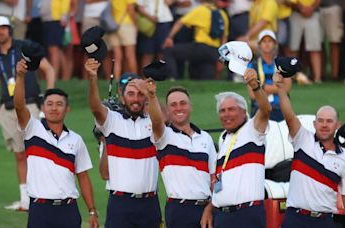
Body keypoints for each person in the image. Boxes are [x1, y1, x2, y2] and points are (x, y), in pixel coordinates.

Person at [13, 59, 99, 228]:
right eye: (49, 104)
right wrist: (21, 76)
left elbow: (83, 176)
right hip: (40, 209)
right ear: (43, 108)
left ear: (67, 109)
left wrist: (92, 210)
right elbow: (19, 105)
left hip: (68, 210)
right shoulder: (32, 128)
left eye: (59, 104)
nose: (54, 108)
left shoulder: (76, 140)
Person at [0, 15, 55, 211]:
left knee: (38, 152)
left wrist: (48, 98)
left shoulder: (25, 48)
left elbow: (48, 70)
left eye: (3, 28)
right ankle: (25, 200)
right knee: (19, 155)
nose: (0, 32)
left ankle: (43, 195)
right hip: (8, 110)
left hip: (31, 105)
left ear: (9, 29)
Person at [273, 73, 345, 227]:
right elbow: (289, 116)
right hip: (295, 218)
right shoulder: (302, 139)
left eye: (329, 121)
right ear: (314, 124)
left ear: (337, 125)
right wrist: (281, 90)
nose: (324, 125)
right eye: (320, 121)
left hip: (324, 221)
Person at [85, 58, 161, 228]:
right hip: (121, 204)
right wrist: (92, 79)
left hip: (150, 203)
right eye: (131, 94)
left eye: (140, 94)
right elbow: (95, 107)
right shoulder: (112, 120)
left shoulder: (152, 121)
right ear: (122, 97)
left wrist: (150, 93)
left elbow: (165, 118)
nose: (136, 99)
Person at [135, 80, 216, 228]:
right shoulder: (165, 135)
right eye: (173, 105)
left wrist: (211, 207)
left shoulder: (205, 138)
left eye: (183, 103)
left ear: (190, 106)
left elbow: (213, 180)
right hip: (179, 210)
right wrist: (151, 96)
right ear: (167, 110)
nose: (179, 107)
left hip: (207, 209)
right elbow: (157, 120)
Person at [201, 69, 272, 227]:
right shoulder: (224, 137)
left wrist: (254, 86)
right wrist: (210, 208)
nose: (226, 114)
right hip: (223, 216)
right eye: (222, 111)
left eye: (231, 109)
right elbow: (225, 183)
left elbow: (266, 109)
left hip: (246, 215)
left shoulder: (253, 129)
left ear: (244, 111)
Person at [162, 0, 229, 80]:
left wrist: (169, 37)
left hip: (200, 48)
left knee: (169, 51)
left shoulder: (201, 10)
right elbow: (224, 39)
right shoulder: (223, 14)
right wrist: (221, 59)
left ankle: (172, 77)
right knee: (206, 79)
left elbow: (180, 22)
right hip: (213, 52)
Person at [248, 29, 292, 121]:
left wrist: (262, 88)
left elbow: (287, 88)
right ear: (259, 45)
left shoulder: (283, 64)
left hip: (281, 108)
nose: (267, 44)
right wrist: (278, 88)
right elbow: (252, 94)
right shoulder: (252, 65)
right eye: (264, 41)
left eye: (270, 41)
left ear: (275, 44)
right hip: (259, 109)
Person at [289, 0, 323, 83]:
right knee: (293, 48)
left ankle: (317, 78)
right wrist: (301, 8)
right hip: (295, 13)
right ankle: (292, 77)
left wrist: (311, 8)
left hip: (313, 13)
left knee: (314, 48)